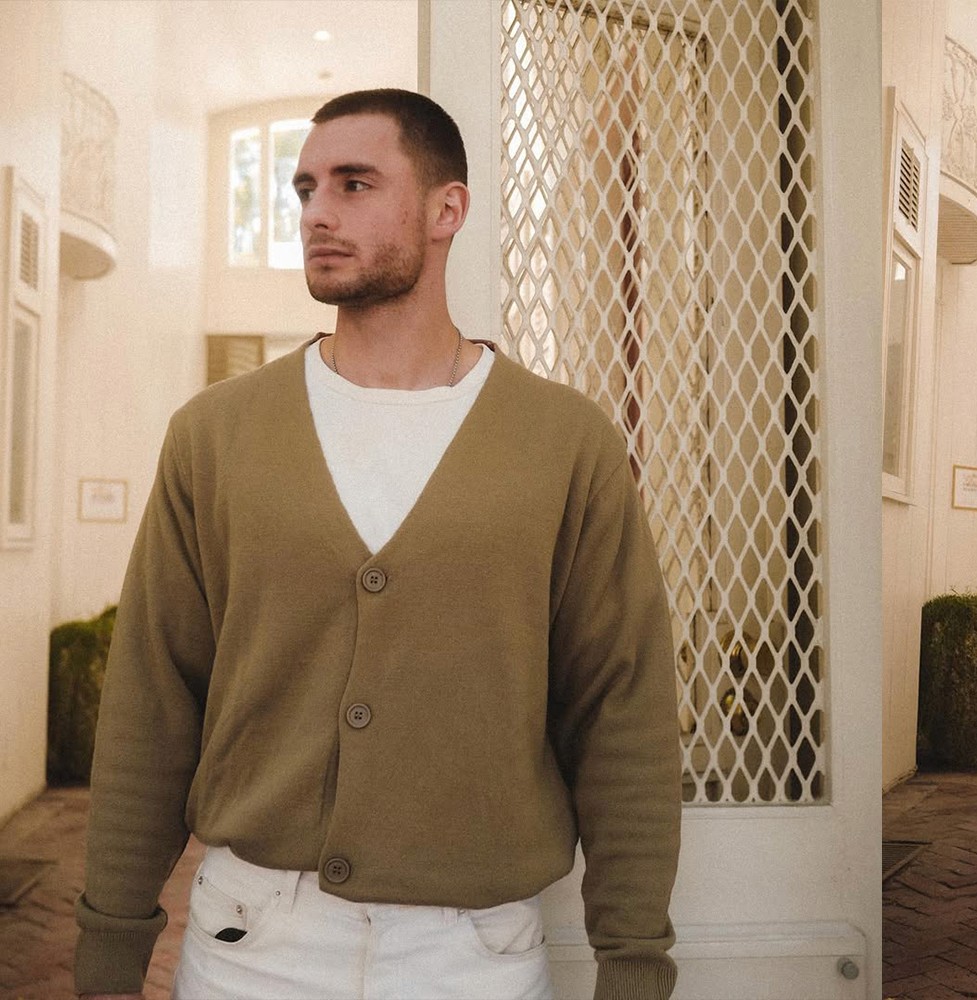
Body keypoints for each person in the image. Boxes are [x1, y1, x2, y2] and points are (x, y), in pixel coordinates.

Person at [73, 89, 681, 999]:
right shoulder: (216, 433)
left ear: (447, 210)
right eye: (307, 188)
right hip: (252, 942)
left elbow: (621, 708)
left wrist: (632, 958)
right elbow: (152, 700)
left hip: (474, 957)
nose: (319, 211)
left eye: (355, 184)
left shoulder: (564, 441)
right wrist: (111, 944)